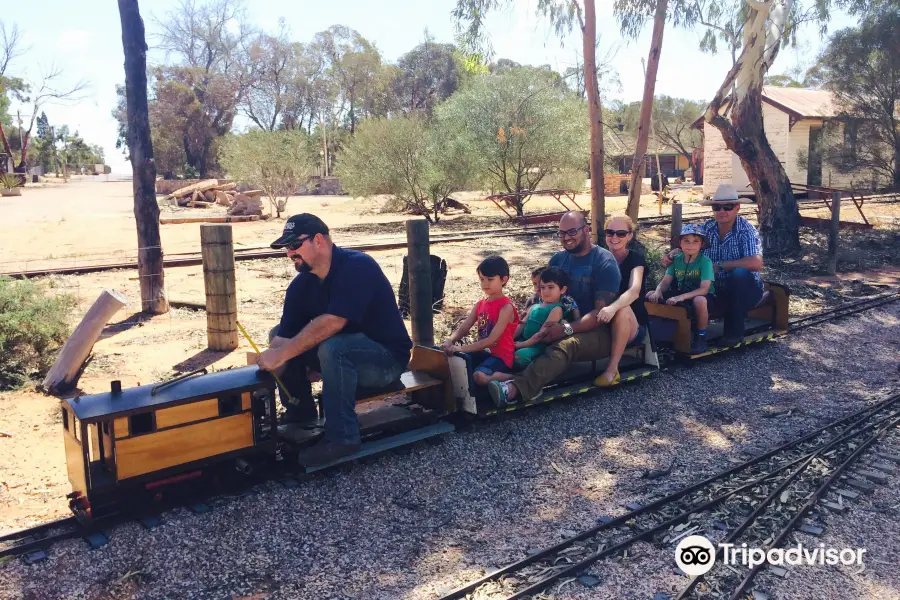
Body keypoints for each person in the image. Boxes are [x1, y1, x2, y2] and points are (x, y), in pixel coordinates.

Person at [257, 214, 413, 465]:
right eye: (286, 248)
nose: (289, 254)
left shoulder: (358, 266)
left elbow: (334, 322)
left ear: (318, 240)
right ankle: (300, 412)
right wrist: (265, 368)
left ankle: (343, 438)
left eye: (295, 245)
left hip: (386, 360)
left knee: (334, 347)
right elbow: (281, 340)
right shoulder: (300, 286)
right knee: (277, 334)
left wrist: (284, 355)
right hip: (340, 356)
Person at [487, 211, 621, 407]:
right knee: (510, 332)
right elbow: (540, 293)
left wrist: (565, 329)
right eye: (561, 233)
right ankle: (486, 369)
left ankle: (517, 389)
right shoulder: (558, 260)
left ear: (586, 230)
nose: (566, 237)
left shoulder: (603, 261)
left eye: (572, 231)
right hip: (555, 322)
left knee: (565, 345)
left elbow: (600, 314)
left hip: (596, 332)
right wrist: (529, 309)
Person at [662, 183, 763, 345]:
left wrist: (720, 266)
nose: (722, 211)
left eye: (727, 206)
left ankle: (733, 333)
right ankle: (675, 329)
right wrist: (674, 254)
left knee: (739, 275)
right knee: (681, 269)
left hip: (744, 290)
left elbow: (756, 263)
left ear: (737, 207)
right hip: (712, 287)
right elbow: (691, 244)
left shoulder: (747, 230)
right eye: (717, 207)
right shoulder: (706, 228)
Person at [439, 256, 519, 386]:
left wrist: (460, 348)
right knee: (452, 363)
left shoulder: (506, 307)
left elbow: (491, 340)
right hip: (483, 352)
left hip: (501, 357)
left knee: (479, 376)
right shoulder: (480, 304)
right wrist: (450, 340)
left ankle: (516, 377)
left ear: (504, 280)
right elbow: (464, 328)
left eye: (490, 279)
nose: (485, 284)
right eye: (482, 279)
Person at [594, 215, 647, 386]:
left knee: (622, 309)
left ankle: (612, 370)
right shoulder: (599, 258)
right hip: (602, 319)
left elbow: (634, 291)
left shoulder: (635, 259)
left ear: (630, 236)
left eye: (621, 233)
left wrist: (613, 308)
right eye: (610, 232)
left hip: (631, 323)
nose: (614, 237)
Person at [648, 224, 716, 354]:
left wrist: (680, 297)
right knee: (651, 294)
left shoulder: (705, 261)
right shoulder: (677, 260)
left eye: (695, 241)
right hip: (682, 293)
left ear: (701, 244)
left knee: (699, 300)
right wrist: (658, 291)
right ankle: (655, 334)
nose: (690, 245)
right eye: (686, 241)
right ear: (680, 243)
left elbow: (704, 289)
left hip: (704, 297)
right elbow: (666, 281)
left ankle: (701, 336)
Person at [512, 267, 571, 370]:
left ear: (562, 289)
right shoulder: (534, 306)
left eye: (550, 287)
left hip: (538, 346)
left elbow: (541, 334)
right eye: (543, 287)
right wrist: (509, 339)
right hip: (524, 341)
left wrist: (522, 345)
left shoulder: (556, 309)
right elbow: (521, 326)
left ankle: (527, 375)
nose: (545, 291)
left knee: (519, 356)